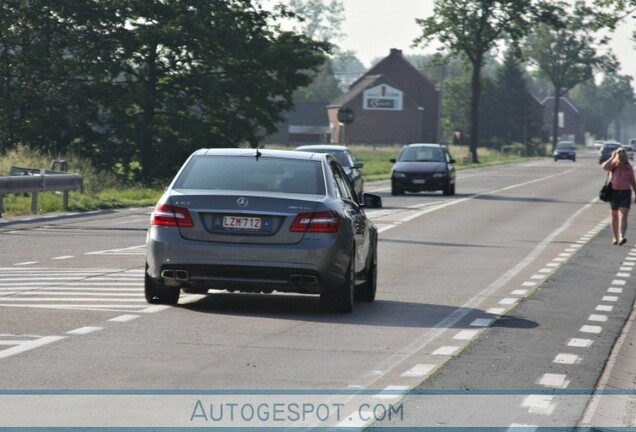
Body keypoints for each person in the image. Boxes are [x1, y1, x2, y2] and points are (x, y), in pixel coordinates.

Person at [601, 147, 636, 245]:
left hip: (625, 193)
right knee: (614, 216)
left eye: (623, 157)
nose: (622, 158)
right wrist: (612, 157)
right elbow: (604, 167)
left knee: (624, 214)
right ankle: (615, 238)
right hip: (614, 193)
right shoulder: (613, 166)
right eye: (620, 156)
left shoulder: (629, 168)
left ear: (626, 158)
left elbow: (633, 182)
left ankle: (622, 236)